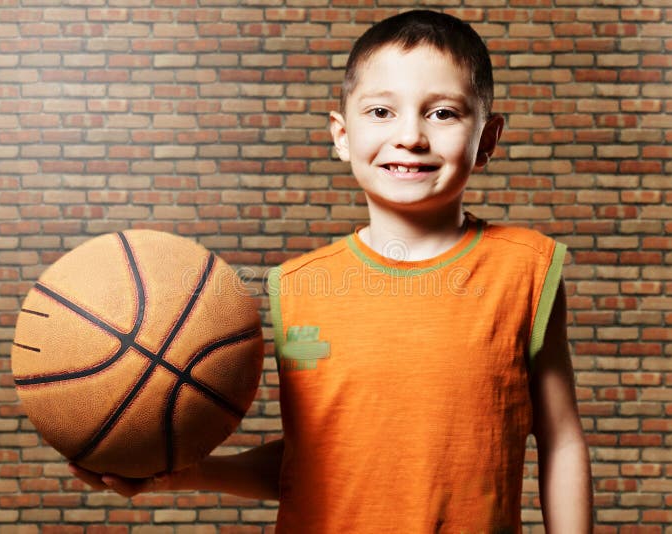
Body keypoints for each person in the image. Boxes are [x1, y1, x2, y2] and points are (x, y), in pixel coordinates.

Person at [70, 10, 593, 533]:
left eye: (443, 114)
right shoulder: (297, 288)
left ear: (488, 138)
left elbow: (561, 440)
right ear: (342, 135)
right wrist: (184, 474)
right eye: (382, 111)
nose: (410, 135)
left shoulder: (526, 269)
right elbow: (318, 462)